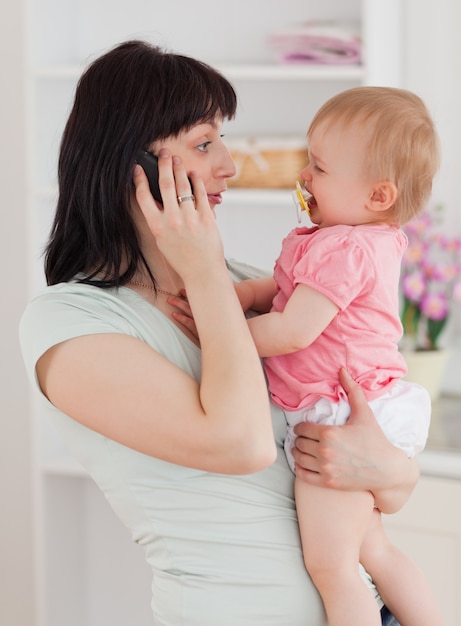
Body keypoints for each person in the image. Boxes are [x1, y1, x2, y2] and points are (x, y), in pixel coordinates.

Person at [19, 40, 417, 625]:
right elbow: (243, 443)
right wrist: (203, 269)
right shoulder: (69, 322)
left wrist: (392, 470)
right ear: (130, 164)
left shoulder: (254, 288)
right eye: (204, 144)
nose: (229, 165)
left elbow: (391, 481)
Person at [234, 87, 445, 626]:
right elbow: (284, 291)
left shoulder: (347, 248)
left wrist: (220, 331)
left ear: (377, 196)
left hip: (339, 416)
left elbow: (293, 329)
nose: (305, 175)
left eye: (320, 167)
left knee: (332, 567)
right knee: (374, 551)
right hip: (360, 408)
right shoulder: (354, 240)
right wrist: (245, 295)